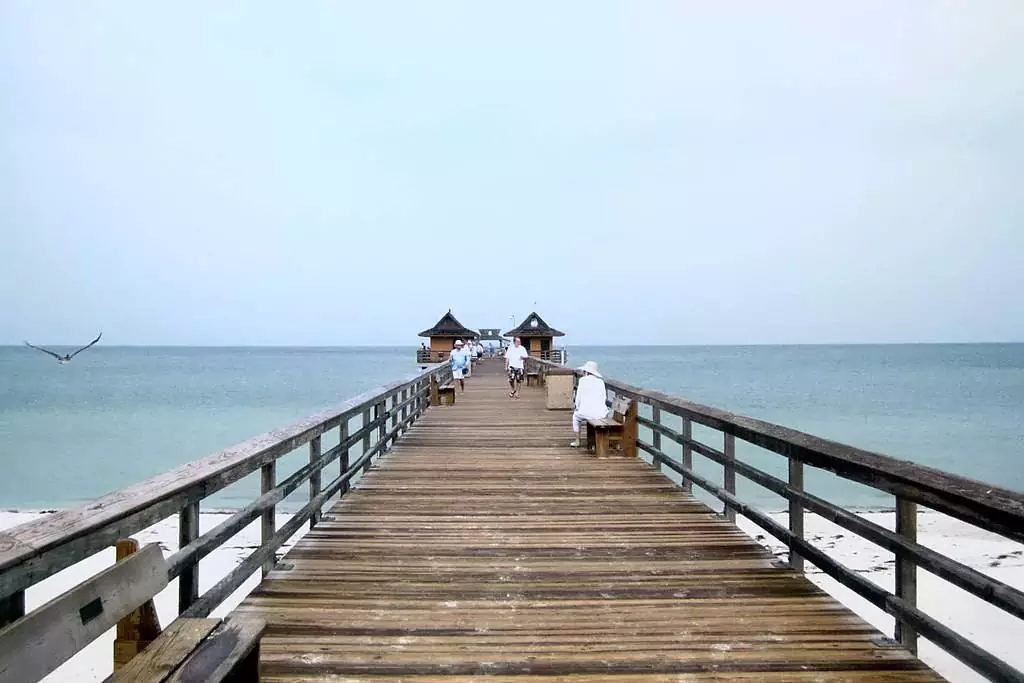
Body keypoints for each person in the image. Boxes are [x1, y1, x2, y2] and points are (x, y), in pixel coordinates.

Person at [570, 361, 609, 448]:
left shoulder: (582, 380)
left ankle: (577, 440)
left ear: (586, 372)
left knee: (575, 417)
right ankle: (599, 440)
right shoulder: (600, 382)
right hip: (600, 414)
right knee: (601, 414)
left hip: (585, 412)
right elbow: (604, 398)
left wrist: (577, 407)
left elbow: (578, 397)